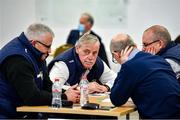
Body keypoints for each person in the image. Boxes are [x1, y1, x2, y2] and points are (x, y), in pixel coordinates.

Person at [0, 23, 78, 118]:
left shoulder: (37, 54)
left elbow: (47, 85)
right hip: (7, 114)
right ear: (33, 43)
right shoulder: (17, 59)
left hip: (24, 112)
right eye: (48, 46)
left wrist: (68, 93)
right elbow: (32, 97)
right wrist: (64, 97)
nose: (50, 51)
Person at [110, 33, 180, 119]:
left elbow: (116, 99)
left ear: (116, 54)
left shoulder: (129, 66)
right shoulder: (159, 59)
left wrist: (124, 66)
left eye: (114, 58)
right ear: (135, 46)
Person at [49, 34, 117, 96]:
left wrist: (106, 87)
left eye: (94, 53)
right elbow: (52, 86)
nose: (91, 57)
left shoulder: (98, 62)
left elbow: (116, 79)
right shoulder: (63, 64)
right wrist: (82, 88)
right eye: (86, 52)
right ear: (77, 49)